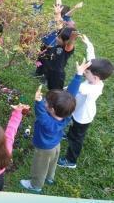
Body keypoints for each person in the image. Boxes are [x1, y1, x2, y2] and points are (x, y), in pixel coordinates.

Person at [20, 59, 91, 193]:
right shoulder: (67, 113)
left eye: (47, 102)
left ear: (52, 109)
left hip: (44, 148)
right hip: (55, 145)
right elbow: (71, 94)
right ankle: (50, 177)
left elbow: (41, 114)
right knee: (52, 162)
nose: (45, 101)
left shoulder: (48, 122)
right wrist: (78, 75)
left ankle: (35, 185)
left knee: (39, 166)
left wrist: (38, 102)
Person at [58, 35, 114, 168]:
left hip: (83, 116)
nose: (84, 73)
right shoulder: (93, 79)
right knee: (73, 127)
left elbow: (75, 90)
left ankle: (70, 161)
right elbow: (91, 56)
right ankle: (69, 135)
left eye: (86, 72)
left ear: (95, 77)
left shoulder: (91, 88)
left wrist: (77, 75)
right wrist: (88, 43)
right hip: (77, 109)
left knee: (77, 138)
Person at [42, 24, 78, 90]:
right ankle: (50, 93)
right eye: (57, 36)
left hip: (57, 74)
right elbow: (54, 50)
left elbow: (70, 43)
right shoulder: (58, 45)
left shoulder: (67, 49)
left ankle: (55, 98)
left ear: (66, 41)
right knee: (50, 86)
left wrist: (72, 38)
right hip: (50, 69)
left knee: (56, 90)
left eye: (59, 38)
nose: (56, 38)